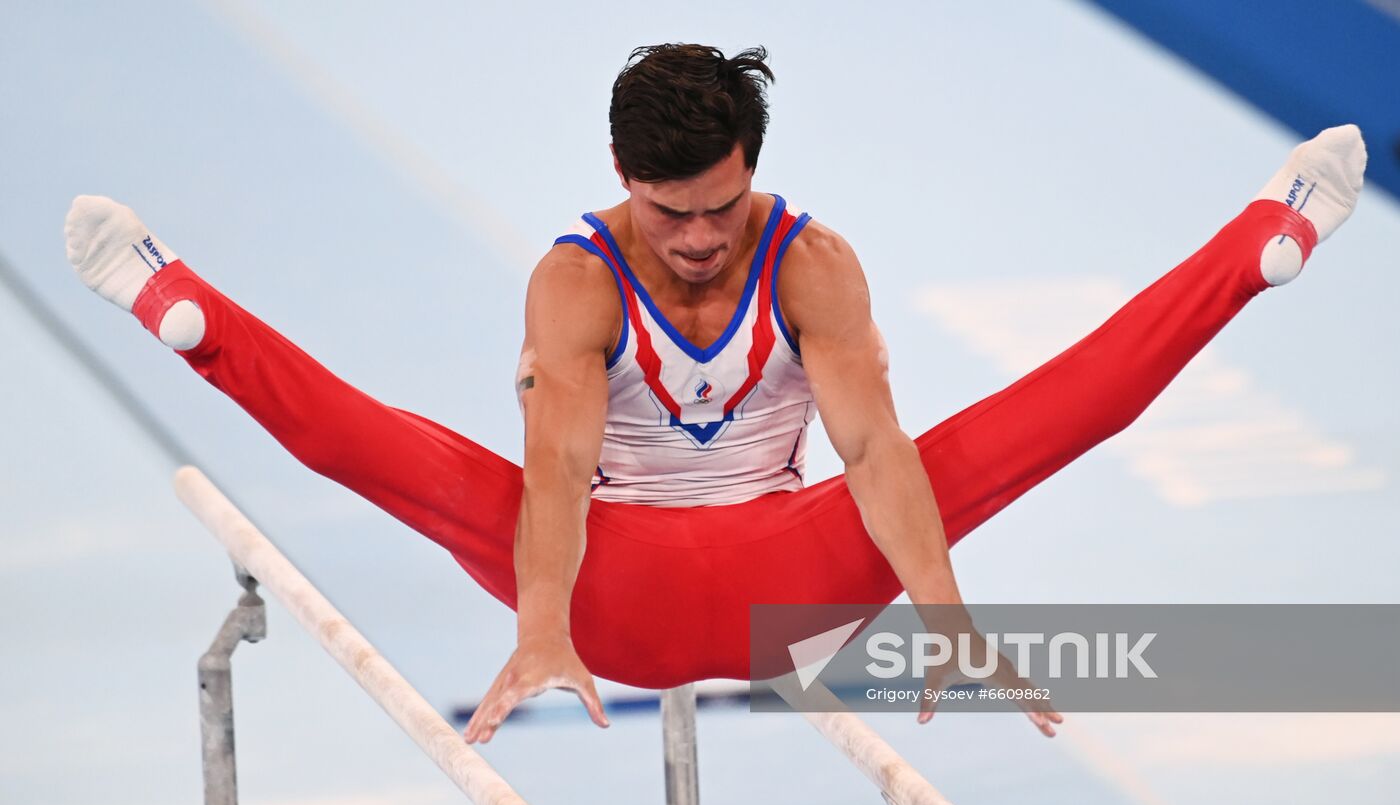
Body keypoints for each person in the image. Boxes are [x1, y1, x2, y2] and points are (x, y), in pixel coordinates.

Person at [63, 44, 1365, 745]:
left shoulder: (812, 262)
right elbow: (563, 474)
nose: (698, 239)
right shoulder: (575, 286)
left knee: (1004, 435)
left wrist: (947, 617)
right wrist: (547, 626)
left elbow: (874, 448)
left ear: (759, 169)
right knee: (432, 469)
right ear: (620, 175)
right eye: (670, 212)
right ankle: (186, 311)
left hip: (794, 588)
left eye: (724, 206)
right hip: (607, 597)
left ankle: (1256, 244)